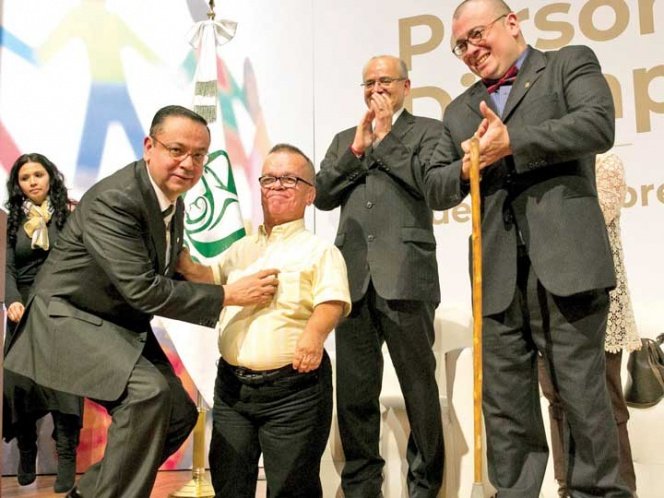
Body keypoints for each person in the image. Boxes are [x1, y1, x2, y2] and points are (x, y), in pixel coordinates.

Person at [4, 105, 279, 498]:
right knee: (148, 394)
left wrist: (203, 274)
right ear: (150, 146)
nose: (188, 163)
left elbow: (162, 269)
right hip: (66, 318)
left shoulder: (171, 200)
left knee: (178, 416)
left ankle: (90, 494)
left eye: (199, 155)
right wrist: (227, 295)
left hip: (117, 322)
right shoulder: (116, 199)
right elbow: (143, 289)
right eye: (177, 150)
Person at [423, 0, 632, 495]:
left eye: (477, 35)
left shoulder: (567, 64)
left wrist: (513, 141)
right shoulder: (458, 110)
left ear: (512, 23)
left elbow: (597, 125)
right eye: (460, 45)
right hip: (496, 277)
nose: (470, 50)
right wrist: (467, 166)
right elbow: (436, 187)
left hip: (567, 264)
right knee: (505, 408)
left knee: (581, 398)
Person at [177, 143, 351, 498]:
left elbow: (332, 301)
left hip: (294, 393)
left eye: (289, 179)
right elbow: (208, 277)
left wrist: (314, 335)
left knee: (291, 489)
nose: (276, 186)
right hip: (233, 390)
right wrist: (177, 254)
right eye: (269, 178)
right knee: (229, 485)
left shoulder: (321, 251)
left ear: (310, 194)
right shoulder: (242, 248)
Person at [315, 55, 444, 497]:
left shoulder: (429, 132)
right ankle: (361, 488)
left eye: (385, 81)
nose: (376, 89)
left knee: (419, 390)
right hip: (351, 283)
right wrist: (355, 151)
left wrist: (386, 138)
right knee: (354, 395)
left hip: (407, 278)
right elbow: (322, 195)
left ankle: (424, 487)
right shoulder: (344, 139)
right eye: (368, 83)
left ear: (406, 86)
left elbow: (432, 187)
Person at [538, 152, 641, 497]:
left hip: (599, 301)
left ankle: (621, 487)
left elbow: (588, 220)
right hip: (549, 302)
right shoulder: (543, 167)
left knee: (606, 400)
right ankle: (567, 486)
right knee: (557, 402)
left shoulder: (606, 163)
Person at [3, 153, 83, 492]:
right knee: (20, 384)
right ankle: (26, 450)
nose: (33, 182)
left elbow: (81, 263)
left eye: (38, 174)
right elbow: (7, 268)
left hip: (61, 307)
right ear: (18, 184)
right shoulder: (11, 219)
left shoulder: (70, 214)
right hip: (22, 309)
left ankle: (66, 457)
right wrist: (11, 300)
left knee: (66, 387)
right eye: (25, 177)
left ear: (50, 176)